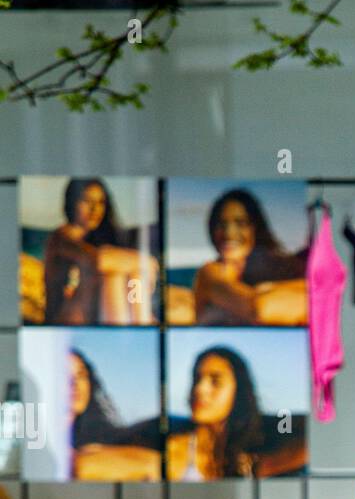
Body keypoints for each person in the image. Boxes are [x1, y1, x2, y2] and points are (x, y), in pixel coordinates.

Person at [42, 178, 158, 326]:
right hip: (64, 318)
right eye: (86, 201)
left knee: (134, 275)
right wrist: (148, 262)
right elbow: (97, 261)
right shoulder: (62, 236)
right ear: (72, 202)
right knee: (114, 276)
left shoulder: (95, 237)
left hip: (95, 314)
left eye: (100, 202)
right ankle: (133, 327)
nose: (95, 209)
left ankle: (140, 321)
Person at [192, 188, 308, 326]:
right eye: (221, 224)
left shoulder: (281, 268)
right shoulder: (210, 273)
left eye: (240, 223)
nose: (229, 233)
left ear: (255, 228)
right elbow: (260, 310)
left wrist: (267, 288)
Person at [166, 345, 265, 479]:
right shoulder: (173, 449)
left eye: (216, 381)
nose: (199, 389)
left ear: (239, 391)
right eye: (196, 379)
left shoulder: (261, 447)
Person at [69, 349, 161, 481]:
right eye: (63, 375)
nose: (75, 384)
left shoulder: (102, 441)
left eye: (81, 375)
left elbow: (157, 465)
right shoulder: (35, 439)